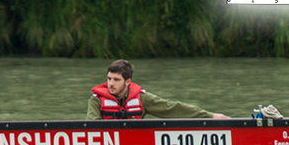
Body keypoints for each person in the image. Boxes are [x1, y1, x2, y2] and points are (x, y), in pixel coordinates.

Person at [87, 59, 228, 119]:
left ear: (128, 82)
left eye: (116, 80)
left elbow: (172, 108)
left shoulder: (142, 98)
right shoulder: (96, 101)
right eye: (109, 79)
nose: (111, 84)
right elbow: (91, 126)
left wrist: (210, 116)